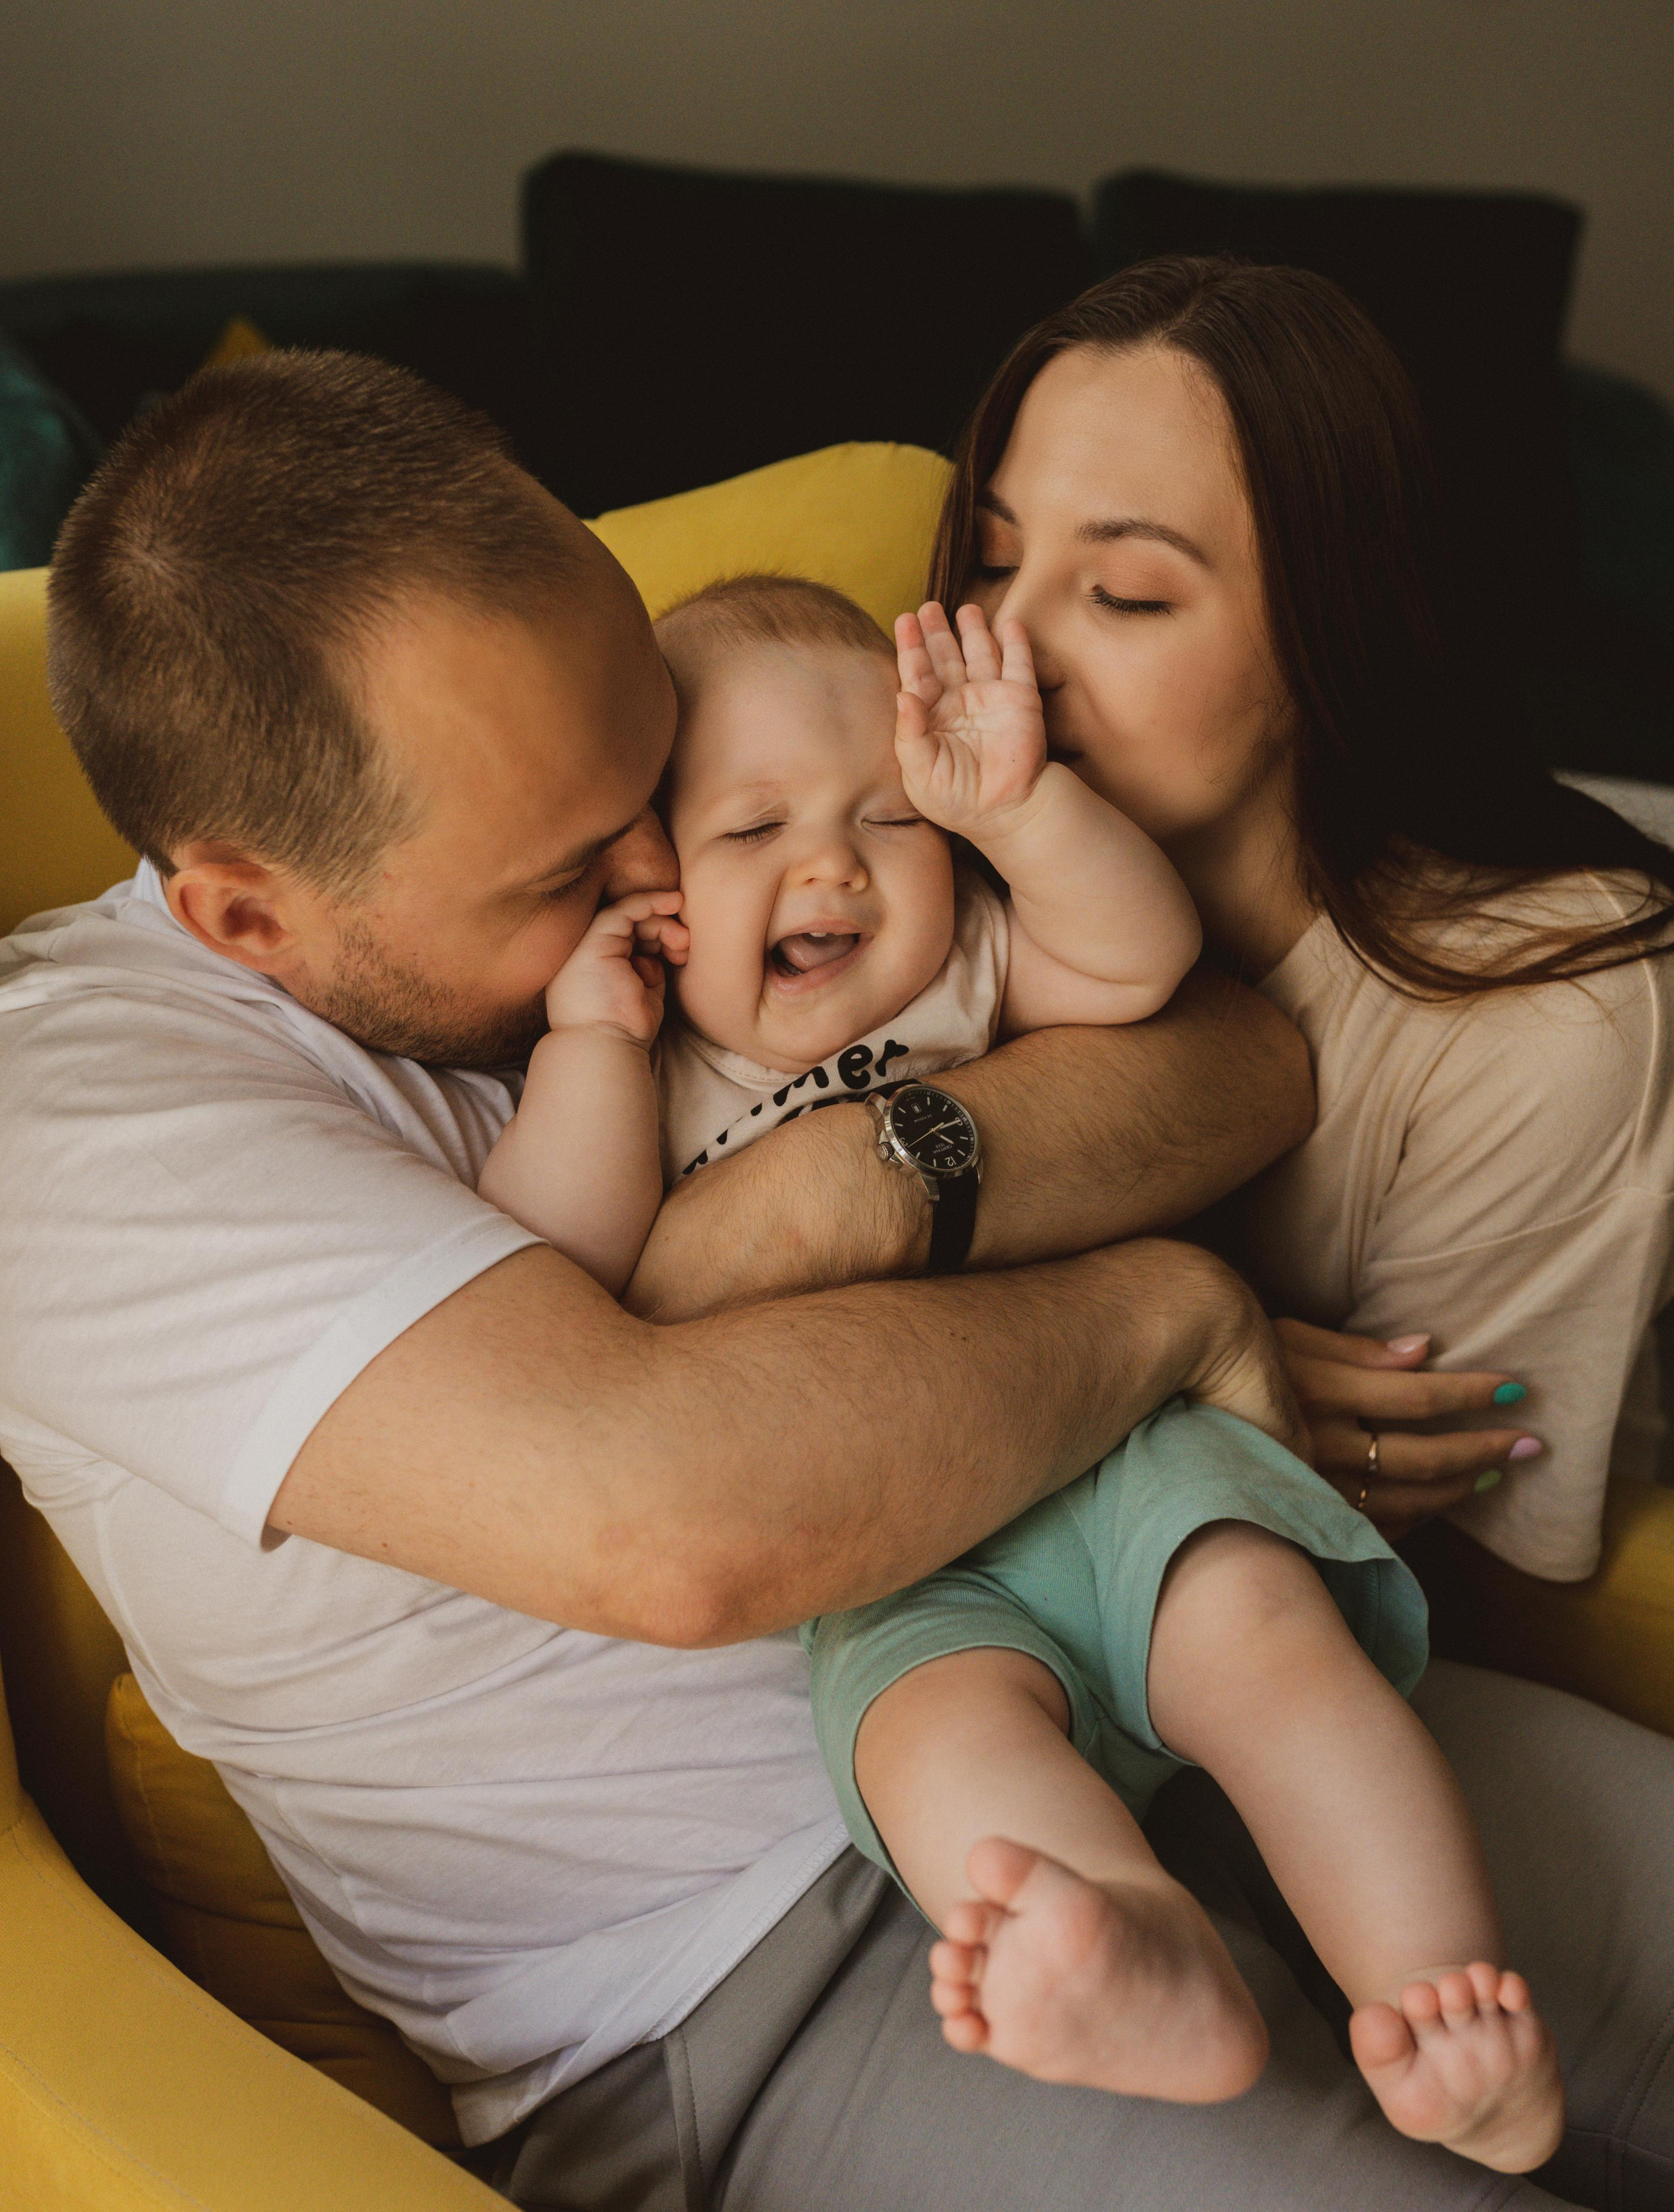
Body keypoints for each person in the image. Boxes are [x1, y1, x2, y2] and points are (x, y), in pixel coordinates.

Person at [0, 349, 1309, 2159]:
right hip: (758, 1967)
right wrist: (1163, 1304)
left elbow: (1243, 1060)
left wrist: (859, 1176)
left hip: (1140, 1641)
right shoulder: (68, 1120)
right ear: (249, 911)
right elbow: (680, 1529)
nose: (665, 871)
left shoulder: (687, 822)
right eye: (566, 865)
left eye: (657, 777)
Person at [481, 566, 1562, 2171]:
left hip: (1120, 1450)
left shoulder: (966, 969)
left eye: (888, 819)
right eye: (750, 829)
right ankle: (1143, 1959)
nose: (832, 862)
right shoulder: (647, 1071)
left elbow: (1137, 967)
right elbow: (558, 1280)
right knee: (943, 1762)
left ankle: (1446, 2014)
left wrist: (1016, 811)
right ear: (649, 891)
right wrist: (581, 1035)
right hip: (885, 1554)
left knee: (1271, 1664)